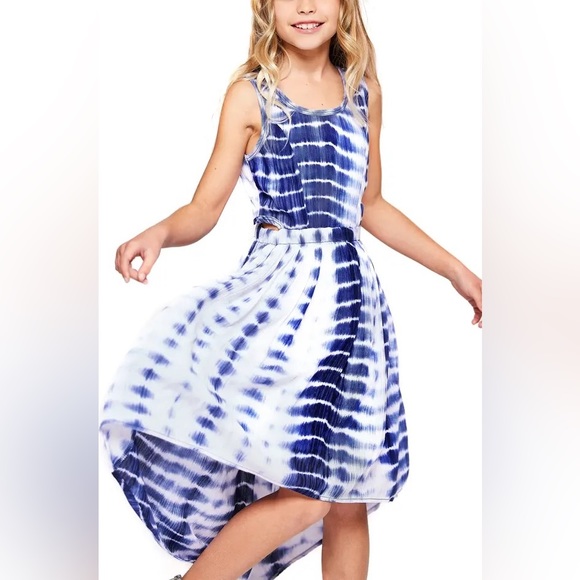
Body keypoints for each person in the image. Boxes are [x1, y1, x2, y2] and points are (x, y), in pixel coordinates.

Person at [100, 0, 483, 579]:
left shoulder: (364, 94)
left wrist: (456, 271)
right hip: (281, 303)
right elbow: (204, 208)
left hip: (351, 306)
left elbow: (370, 205)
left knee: (348, 492)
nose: (305, 6)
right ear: (267, 7)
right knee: (308, 492)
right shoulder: (251, 96)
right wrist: (159, 233)